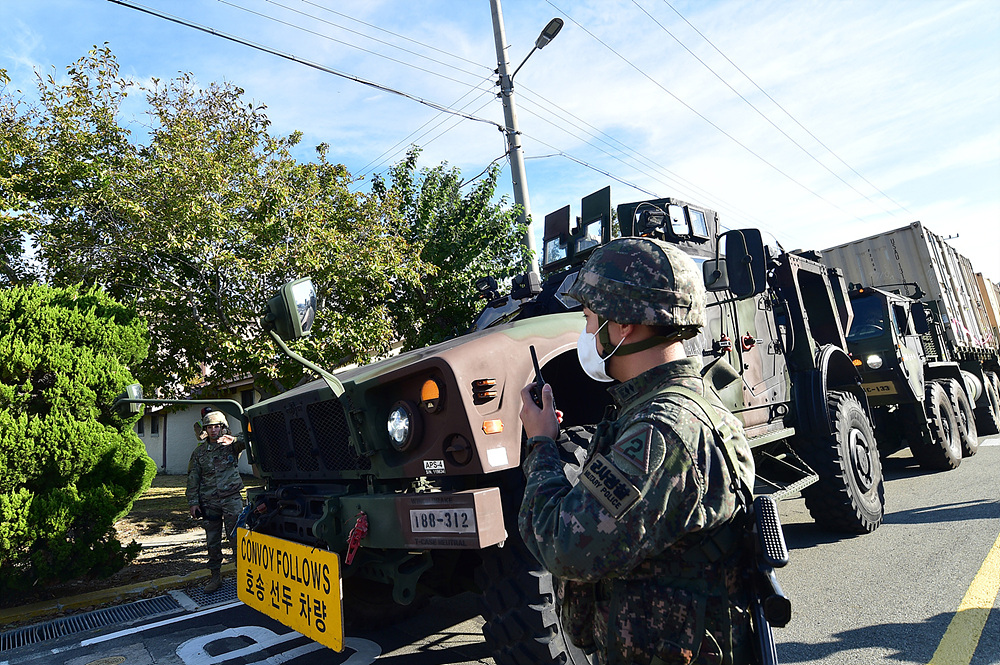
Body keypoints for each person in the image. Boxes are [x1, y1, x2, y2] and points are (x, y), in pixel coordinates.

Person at [518, 237, 756, 665]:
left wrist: (540, 446)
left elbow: (565, 547)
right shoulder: (691, 400)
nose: (586, 334)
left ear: (623, 325)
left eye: (590, 319)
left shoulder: (659, 432)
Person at [186, 409, 246, 593]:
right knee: (212, 542)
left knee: (237, 539)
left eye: (217, 426)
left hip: (231, 500)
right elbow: (193, 478)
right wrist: (193, 502)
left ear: (223, 427)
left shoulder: (231, 446)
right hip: (209, 501)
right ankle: (215, 577)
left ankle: (243, 577)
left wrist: (234, 439)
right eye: (210, 427)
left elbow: (251, 438)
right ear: (205, 429)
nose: (213, 430)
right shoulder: (199, 453)